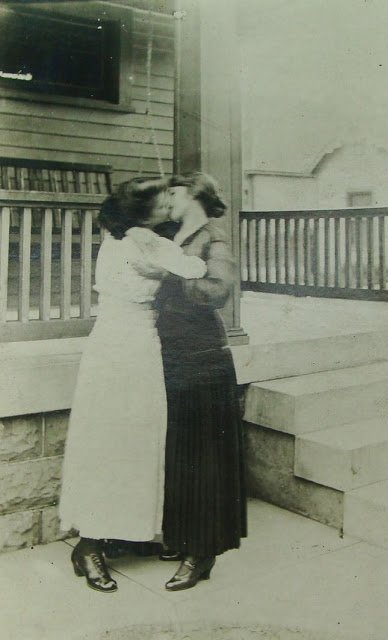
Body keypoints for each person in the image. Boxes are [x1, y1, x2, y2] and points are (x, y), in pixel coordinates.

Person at [58, 177, 207, 593]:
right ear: (143, 211)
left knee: (122, 441)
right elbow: (195, 268)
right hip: (128, 349)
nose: (167, 206)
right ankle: (88, 546)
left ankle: (114, 533)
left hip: (115, 345)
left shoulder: (121, 236)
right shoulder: (145, 241)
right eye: (162, 201)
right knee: (115, 441)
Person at [154, 172, 247, 591]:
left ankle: (202, 552)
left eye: (172, 191)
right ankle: (182, 536)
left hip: (203, 355)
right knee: (180, 447)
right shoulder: (173, 233)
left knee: (205, 453)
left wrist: (175, 274)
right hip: (172, 352)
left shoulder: (213, 237)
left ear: (192, 194)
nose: (167, 198)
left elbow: (217, 290)